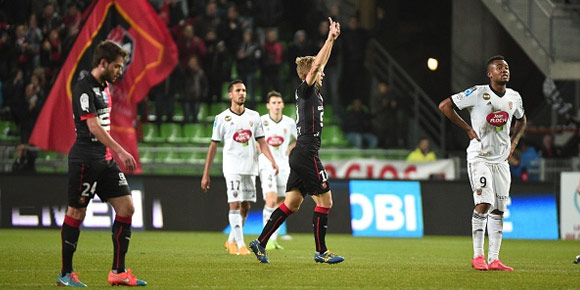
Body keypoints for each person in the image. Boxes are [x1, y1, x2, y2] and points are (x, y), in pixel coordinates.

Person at [249, 17, 344, 264]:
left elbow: (320, 63)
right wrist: (328, 39)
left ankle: (260, 242)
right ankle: (321, 252)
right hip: (306, 153)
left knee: (291, 203)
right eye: (318, 71)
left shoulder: (312, 92)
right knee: (326, 201)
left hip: (300, 153)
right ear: (309, 75)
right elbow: (316, 67)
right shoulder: (305, 89)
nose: (322, 73)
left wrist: (332, 40)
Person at [57, 40, 146, 287]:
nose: (120, 71)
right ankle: (65, 273)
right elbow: (93, 126)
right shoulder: (84, 88)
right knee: (77, 212)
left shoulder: (104, 87)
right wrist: (120, 150)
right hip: (85, 160)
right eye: (117, 66)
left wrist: (112, 152)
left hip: (104, 160)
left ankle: (118, 271)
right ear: (103, 63)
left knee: (127, 207)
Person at [439, 55, 526, 272]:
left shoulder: (514, 97)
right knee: (484, 204)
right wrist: (468, 129)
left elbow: (522, 119)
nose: (504, 70)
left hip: (501, 161)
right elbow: (445, 106)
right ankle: (478, 256)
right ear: (490, 74)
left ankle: (494, 259)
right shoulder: (478, 93)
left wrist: (514, 142)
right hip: (480, 157)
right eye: (499, 68)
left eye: (506, 67)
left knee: (498, 210)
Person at [201, 79, 279, 256]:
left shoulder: (254, 116)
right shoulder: (221, 118)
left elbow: (262, 141)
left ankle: (230, 241)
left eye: (243, 90)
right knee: (234, 203)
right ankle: (241, 244)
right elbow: (213, 146)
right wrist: (206, 173)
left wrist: (272, 160)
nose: (242, 93)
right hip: (232, 167)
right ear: (230, 95)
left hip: (251, 167)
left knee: (246, 206)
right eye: (238, 90)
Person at [258, 90, 297, 250]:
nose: (276, 105)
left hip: (284, 165)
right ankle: (264, 239)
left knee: (283, 202)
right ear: (268, 106)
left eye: (278, 103)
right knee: (271, 200)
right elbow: (255, 140)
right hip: (266, 164)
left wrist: (290, 148)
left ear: (282, 105)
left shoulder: (289, 122)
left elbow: (300, 140)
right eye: (273, 103)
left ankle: (272, 239)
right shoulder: (261, 121)